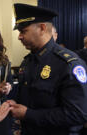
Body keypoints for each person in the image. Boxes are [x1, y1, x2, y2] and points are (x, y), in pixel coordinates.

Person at [7, 3, 87, 135]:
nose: (19, 36)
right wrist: (16, 104)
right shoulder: (27, 62)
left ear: (42, 28)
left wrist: (28, 114)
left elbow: (77, 114)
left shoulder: (68, 63)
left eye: (23, 31)